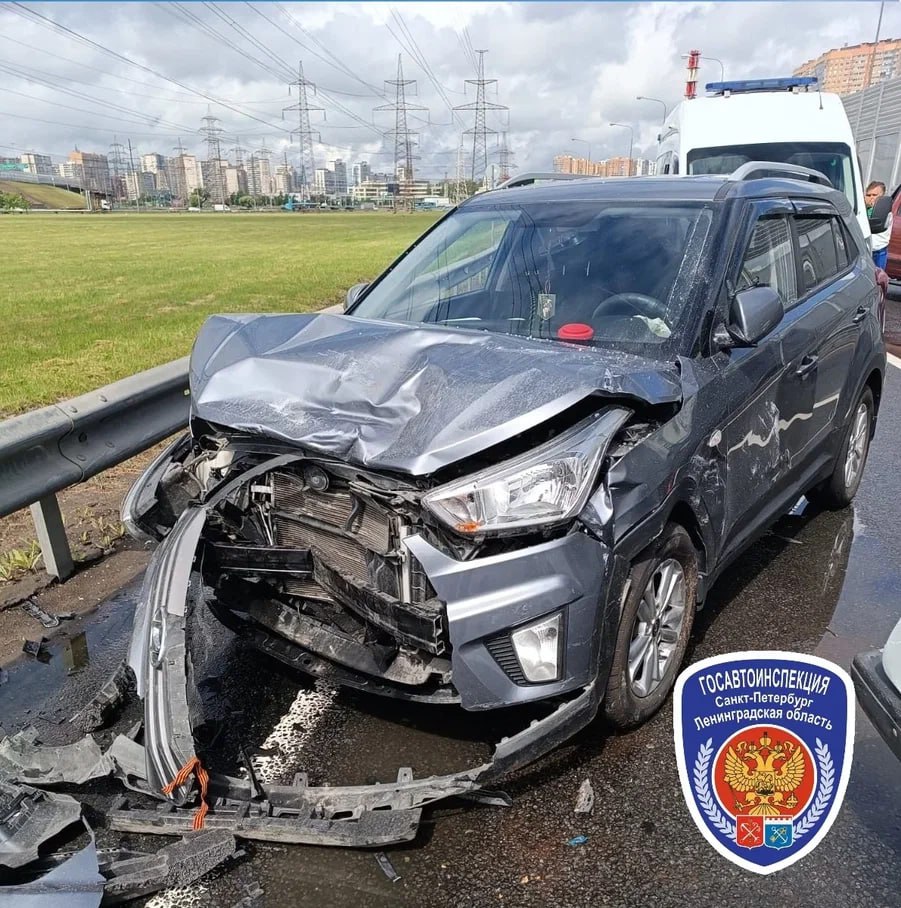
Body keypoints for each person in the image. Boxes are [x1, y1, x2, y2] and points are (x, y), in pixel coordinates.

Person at [865, 181, 893, 269]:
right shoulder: (863, 209)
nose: (871, 198)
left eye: (875, 195)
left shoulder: (885, 211)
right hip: (865, 249)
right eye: (868, 195)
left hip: (878, 251)